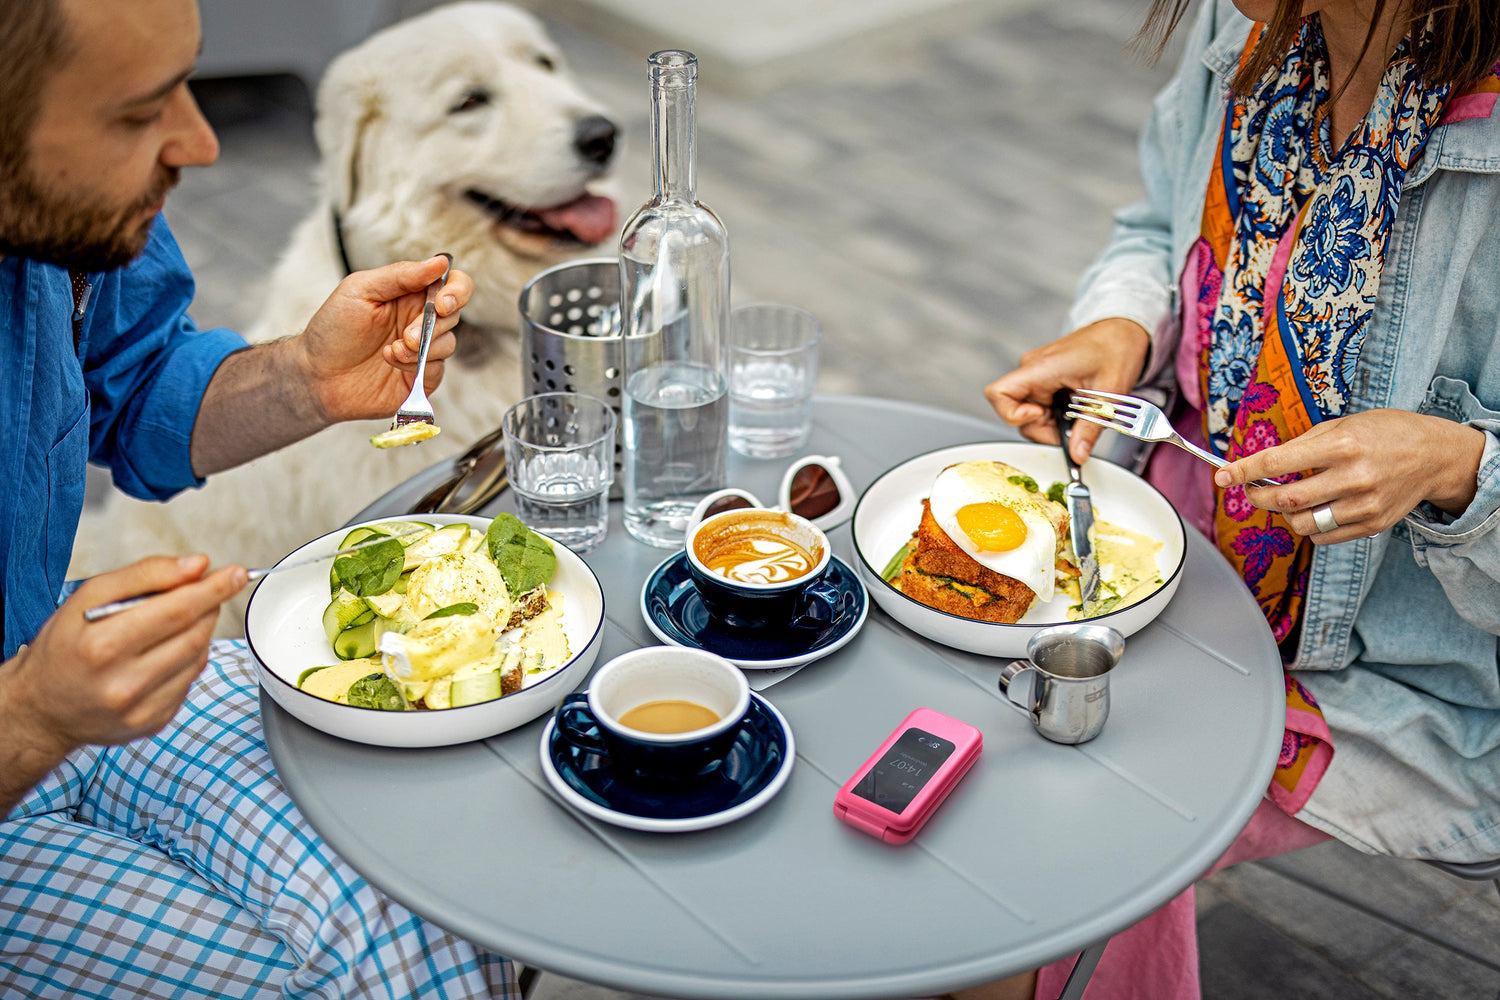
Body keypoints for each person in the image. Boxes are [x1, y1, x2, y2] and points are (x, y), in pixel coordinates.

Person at [972, 0, 1500, 997]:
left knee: (1062, 834)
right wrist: (1125, 325)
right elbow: (1152, 223)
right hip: (1168, 559)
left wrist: (1455, 467)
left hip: (1395, 680)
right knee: (953, 731)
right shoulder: (1249, 22)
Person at [0, 0, 520, 996]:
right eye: (136, 113)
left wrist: (304, 380)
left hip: (49, 665)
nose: (198, 143)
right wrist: (29, 718)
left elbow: (134, 379)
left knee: (451, 866)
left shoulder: (63, 221)